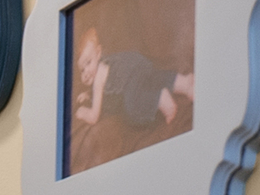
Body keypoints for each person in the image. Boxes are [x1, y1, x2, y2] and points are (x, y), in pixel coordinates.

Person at [71, 26, 194, 168]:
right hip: (136, 63)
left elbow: (94, 116)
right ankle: (184, 82)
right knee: (154, 77)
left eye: (88, 63)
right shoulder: (104, 65)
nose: (86, 72)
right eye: (82, 69)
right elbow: (103, 91)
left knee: (132, 108)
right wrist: (87, 94)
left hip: (131, 79)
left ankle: (160, 98)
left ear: (98, 53)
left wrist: (82, 112)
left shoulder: (98, 78)